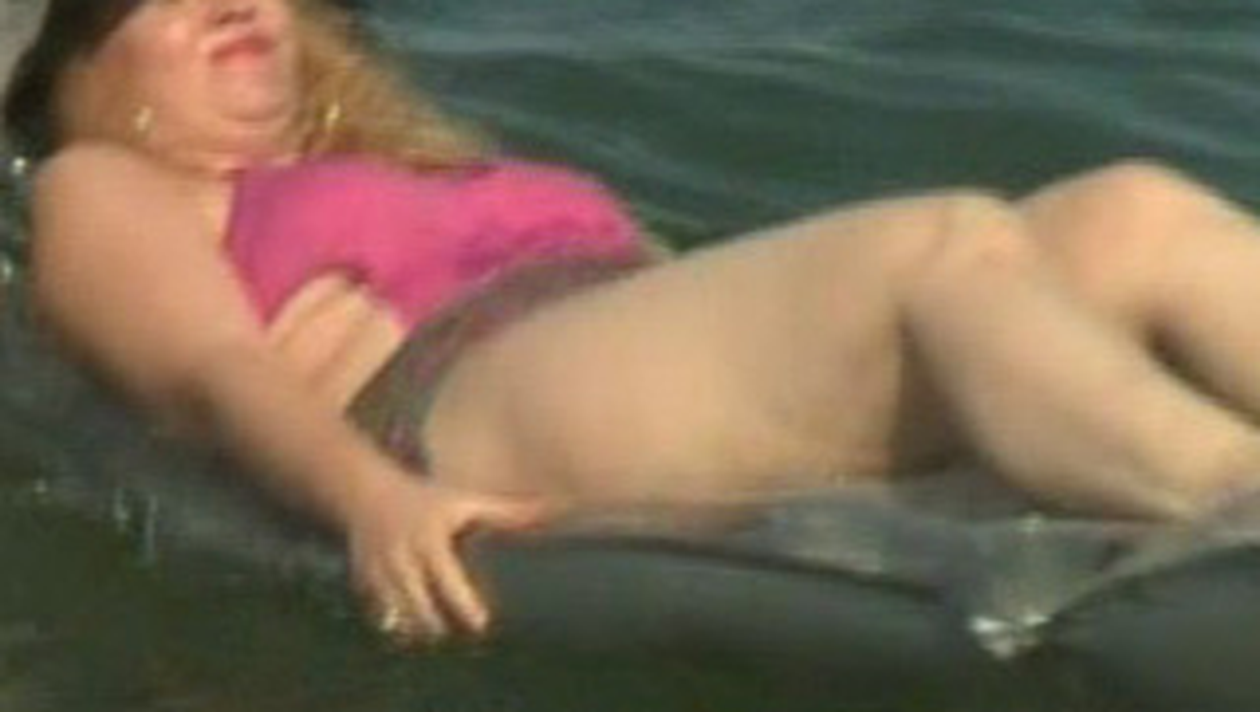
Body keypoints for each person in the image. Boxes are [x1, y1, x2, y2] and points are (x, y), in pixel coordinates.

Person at [7, 0, 1260, 646]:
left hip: (612, 350)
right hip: (459, 392)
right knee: (933, 250)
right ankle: (1228, 494)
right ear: (70, 73)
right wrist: (370, 502)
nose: (230, 2)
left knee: (1132, 214)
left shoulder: (417, 163)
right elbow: (213, 370)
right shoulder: (102, 185)